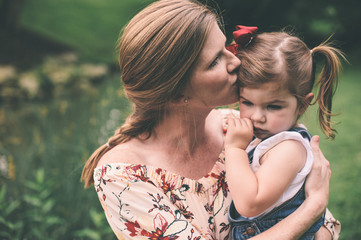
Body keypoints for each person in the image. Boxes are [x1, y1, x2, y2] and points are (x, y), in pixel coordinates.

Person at [81, 1, 338, 239]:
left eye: (227, 47)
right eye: (215, 60)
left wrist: (314, 211)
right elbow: (310, 211)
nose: (235, 61)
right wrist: (314, 205)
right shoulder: (124, 177)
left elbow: (320, 223)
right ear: (174, 91)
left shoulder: (239, 125)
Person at [224, 26, 344, 239]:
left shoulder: (289, 149)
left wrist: (235, 149)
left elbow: (250, 204)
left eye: (274, 107)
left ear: (303, 105)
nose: (257, 117)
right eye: (247, 102)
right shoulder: (268, 136)